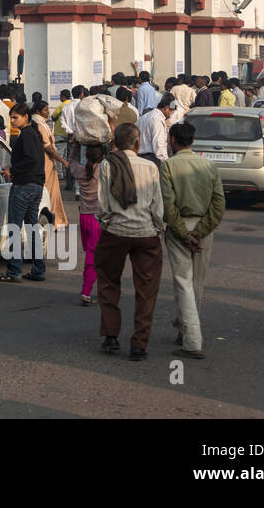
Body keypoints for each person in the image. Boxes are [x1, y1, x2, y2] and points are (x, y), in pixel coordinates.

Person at [95, 123, 165, 360]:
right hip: (146, 233)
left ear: (115, 142)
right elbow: (157, 205)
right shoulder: (150, 167)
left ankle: (111, 336)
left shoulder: (108, 164)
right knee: (146, 290)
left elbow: (103, 204)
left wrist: (107, 223)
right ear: (137, 144)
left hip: (115, 231)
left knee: (108, 283)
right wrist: (158, 228)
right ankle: (139, 344)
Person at [160, 121, 225, 359]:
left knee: (183, 282)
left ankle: (192, 339)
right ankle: (186, 329)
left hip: (181, 227)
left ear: (174, 141)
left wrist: (184, 233)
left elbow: (168, 204)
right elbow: (219, 203)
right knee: (197, 282)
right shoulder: (208, 165)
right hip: (203, 228)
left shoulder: (168, 165)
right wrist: (200, 232)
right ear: (193, 140)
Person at [0, 104, 49, 283]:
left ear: (25, 117)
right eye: (11, 118)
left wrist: (13, 170)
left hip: (24, 185)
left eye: (15, 117)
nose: (12, 121)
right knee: (32, 228)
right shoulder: (33, 133)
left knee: (15, 228)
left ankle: (14, 271)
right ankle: (38, 269)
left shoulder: (26, 135)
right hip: (36, 185)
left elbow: (30, 159)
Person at [64, 144, 105, 305]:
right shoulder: (103, 170)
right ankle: (87, 292)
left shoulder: (79, 171)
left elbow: (71, 160)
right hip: (96, 218)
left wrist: (76, 144)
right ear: (102, 157)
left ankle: (94, 290)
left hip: (84, 217)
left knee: (92, 254)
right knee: (94, 258)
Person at [137, 93, 176, 169]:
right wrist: (167, 165)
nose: (171, 115)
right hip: (151, 159)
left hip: (140, 157)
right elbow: (159, 145)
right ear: (166, 108)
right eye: (171, 111)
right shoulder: (158, 120)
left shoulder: (144, 117)